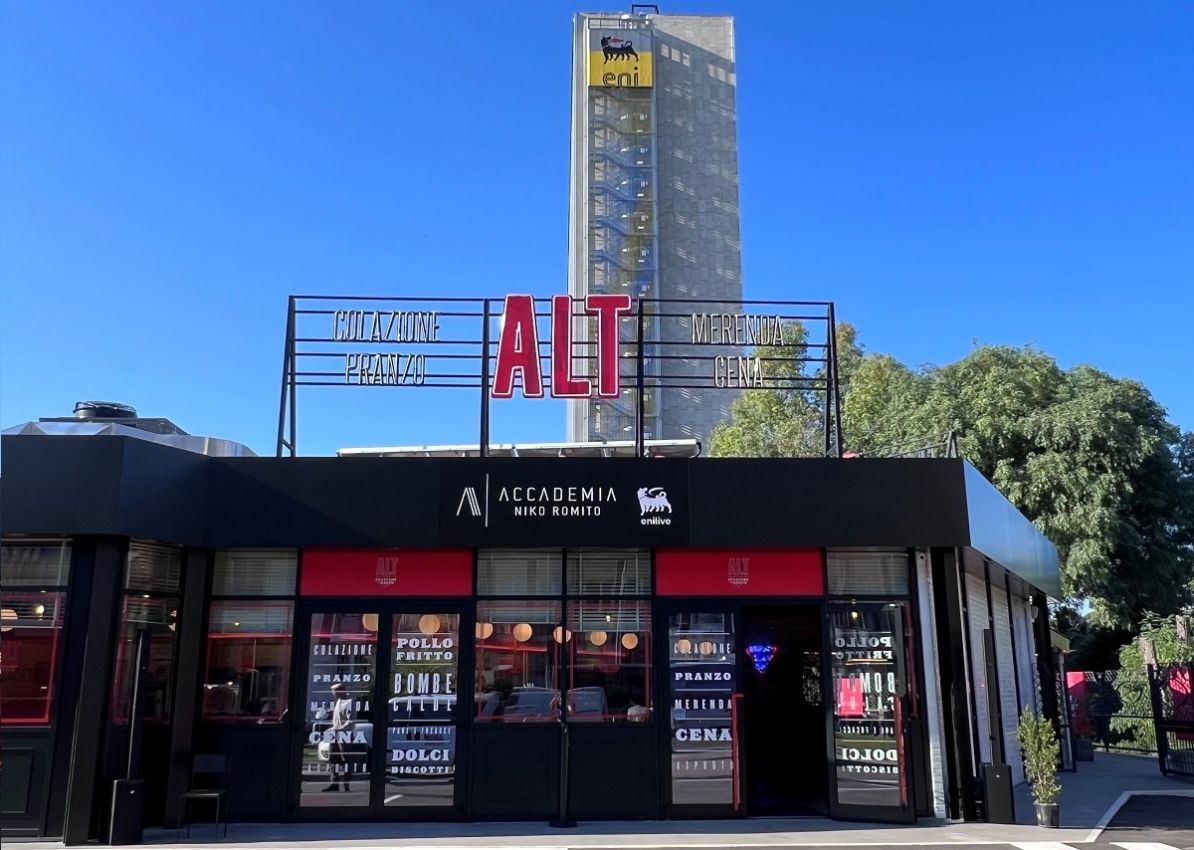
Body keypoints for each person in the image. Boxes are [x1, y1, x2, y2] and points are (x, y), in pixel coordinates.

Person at [322, 683, 354, 792]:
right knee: (332, 759)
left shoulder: (349, 702)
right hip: (334, 734)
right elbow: (336, 720)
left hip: (345, 735)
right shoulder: (338, 701)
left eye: (334, 692)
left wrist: (340, 729)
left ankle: (346, 784)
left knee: (345, 759)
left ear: (341, 691)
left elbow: (351, 721)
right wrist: (331, 729)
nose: (333, 694)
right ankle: (334, 783)